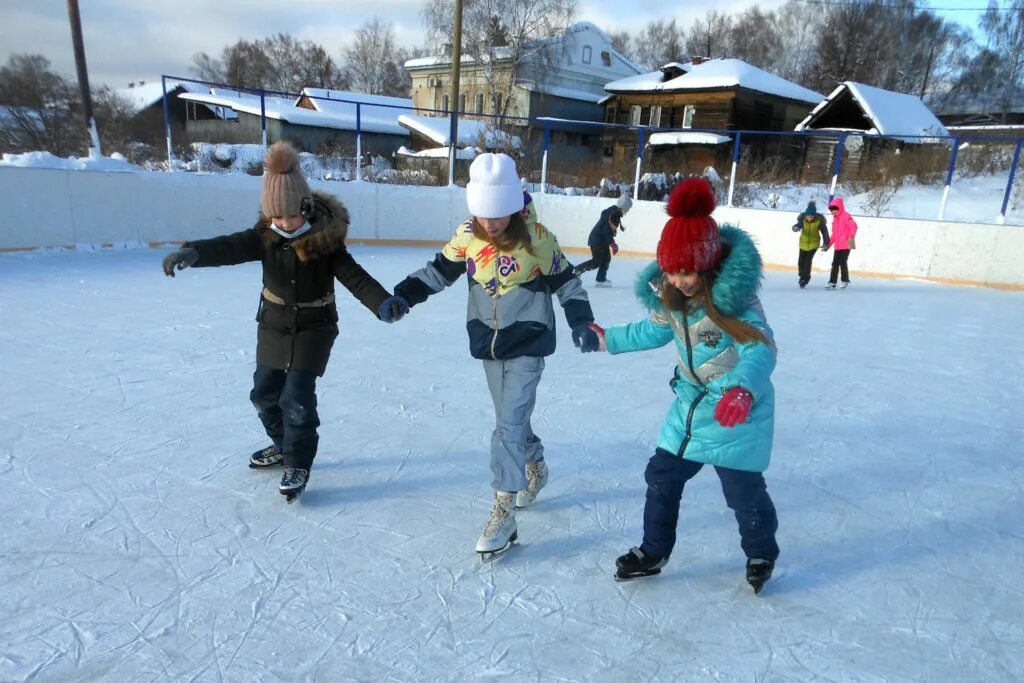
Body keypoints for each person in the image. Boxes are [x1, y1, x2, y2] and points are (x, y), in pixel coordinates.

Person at [161, 141, 402, 502]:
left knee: (297, 396)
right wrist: (194, 251)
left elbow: (354, 276)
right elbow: (230, 246)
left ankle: (298, 461)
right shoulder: (265, 236)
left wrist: (381, 302)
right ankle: (282, 444)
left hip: (315, 326)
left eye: (290, 216)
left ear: (305, 207)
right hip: (273, 324)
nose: (284, 223)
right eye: (276, 217)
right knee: (264, 393)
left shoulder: (325, 242)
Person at [384, 152, 599, 556]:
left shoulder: (536, 237)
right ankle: (534, 464)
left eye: (498, 214)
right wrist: (403, 297)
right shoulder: (467, 235)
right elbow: (437, 272)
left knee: (508, 424)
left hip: (529, 341)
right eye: (484, 214)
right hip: (488, 342)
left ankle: (504, 510)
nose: (491, 222)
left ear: (514, 206)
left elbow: (568, 284)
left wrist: (581, 322)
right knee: (511, 419)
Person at [587, 177, 780, 593]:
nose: (679, 279)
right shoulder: (672, 297)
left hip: (735, 412)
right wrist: (610, 339)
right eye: (672, 270)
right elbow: (652, 329)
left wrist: (741, 388)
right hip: (690, 409)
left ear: (708, 263)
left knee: (743, 492)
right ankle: (653, 550)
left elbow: (762, 349)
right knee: (662, 477)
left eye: (688, 270)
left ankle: (761, 552)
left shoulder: (737, 304)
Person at [574, 194, 633, 287]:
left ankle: (601, 280)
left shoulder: (614, 212)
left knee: (606, 259)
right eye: (628, 208)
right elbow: (607, 231)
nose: (628, 210)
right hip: (597, 240)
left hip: (602, 240)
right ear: (624, 206)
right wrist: (613, 244)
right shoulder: (614, 214)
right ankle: (576, 271)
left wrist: (611, 243)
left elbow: (608, 231)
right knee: (596, 262)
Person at [792, 200, 830, 288]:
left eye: (811, 216)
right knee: (801, 262)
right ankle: (802, 276)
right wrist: (795, 228)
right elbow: (798, 225)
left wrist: (826, 243)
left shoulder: (819, 221)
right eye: (808, 216)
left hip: (814, 244)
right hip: (803, 244)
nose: (809, 218)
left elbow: (824, 232)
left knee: (808, 261)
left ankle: (805, 279)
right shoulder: (803, 220)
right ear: (805, 215)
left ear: (814, 215)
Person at [826, 197, 858, 289]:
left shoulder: (846, 216)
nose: (833, 211)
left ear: (840, 207)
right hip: (838, 245)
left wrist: (851, 238)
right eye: (831, 210)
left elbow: (854, 226)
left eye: (835, 209)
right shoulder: (835, 219)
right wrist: (828, 244)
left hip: (847, 243)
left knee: (842, 262)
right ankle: (832, 282)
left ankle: (845, 280)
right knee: (835, 263)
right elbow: (834, 234)